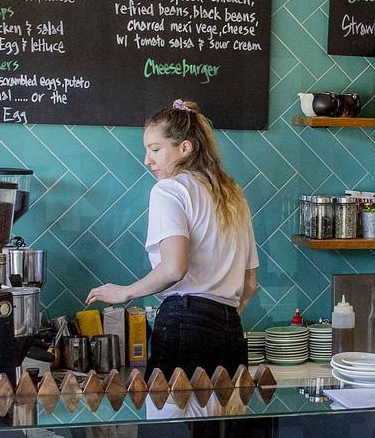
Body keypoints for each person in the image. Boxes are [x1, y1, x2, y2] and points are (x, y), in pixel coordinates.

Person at [86, 99, 258, 376]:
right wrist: (218, 319)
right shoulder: (233, 194)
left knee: (171, 418)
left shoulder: (169, 190)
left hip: (184, 323)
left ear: (185, 148)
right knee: (222, 418)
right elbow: (250, 284)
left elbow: (174, 268)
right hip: (230, 329)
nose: (147, 160)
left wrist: (124, 292)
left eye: (155, 149)